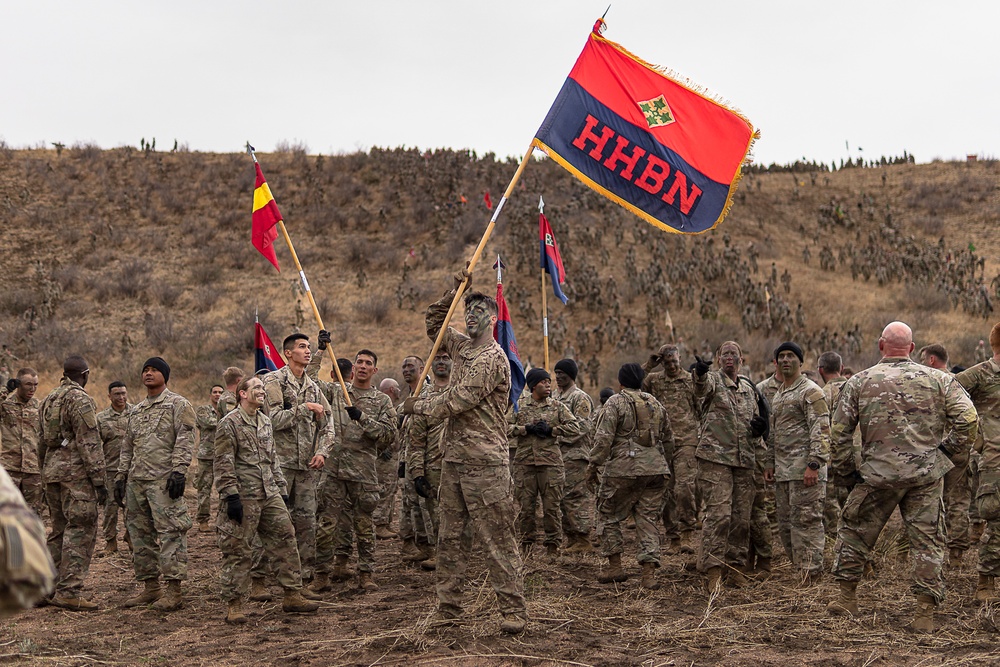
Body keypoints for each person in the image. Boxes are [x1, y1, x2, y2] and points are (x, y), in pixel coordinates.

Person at [826, 322, 978, 633]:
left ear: (881, 346)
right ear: (911, 349)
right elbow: (969, 419)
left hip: (876, 474)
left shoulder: (859, 382)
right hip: (924, 475)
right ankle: (924, 612)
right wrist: (945, 454)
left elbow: (839, 433)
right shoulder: (938, 379)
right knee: (928, 542)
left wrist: (847, 472)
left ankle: (846, 598)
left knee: (854, 531)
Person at [402, 268, 528, 634]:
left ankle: (513, 611)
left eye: (477, 312)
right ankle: (449, 607)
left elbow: (458, 400)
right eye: (466, 312)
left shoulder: (492, 358)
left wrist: (418, 406)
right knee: (450, 539)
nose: (469, 317)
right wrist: (455, 291)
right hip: (454, 460)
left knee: (496, 539)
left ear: (491, 319)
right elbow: (434, 325)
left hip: (485, 462)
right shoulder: (460, 347)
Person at [214, 376, 319, 623]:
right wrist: (230, 495)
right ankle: (234, 605)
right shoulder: (229, 423)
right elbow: (223, 462)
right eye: (257, 388)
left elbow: (273, 459)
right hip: (244, 495)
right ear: (242, 393)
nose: (262, 391)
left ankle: (292, 594)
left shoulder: (265, 421)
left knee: (286, 538)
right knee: (238, 548)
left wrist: (281, 489)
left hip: (269, 492)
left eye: (263, 388)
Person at [311, 344, 396, 592]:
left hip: (363, 472)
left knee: (364, 525)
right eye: (359, 362)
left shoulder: (381, 401)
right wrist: (319, 351)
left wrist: (362, 418)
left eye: (368, 363)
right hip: (334, 470)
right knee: (327, 524)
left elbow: (388, 435)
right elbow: (310, 380)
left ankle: (366, 574)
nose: (363, 366)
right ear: (353, 367)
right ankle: (322, 575)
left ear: (374, 370)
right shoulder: (337, 392)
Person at [116, 357, 197, 611]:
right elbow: (128, 446)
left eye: (154, 370)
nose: (148, 374)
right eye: (145, 370)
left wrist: (179, 471)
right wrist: (121, 476)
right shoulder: (136, 410)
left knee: (172, 532)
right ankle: (151, 588)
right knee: (140, 536)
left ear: (165, 375)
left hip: (164, 481)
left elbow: (185, 438)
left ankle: (174, 591)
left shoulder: (178, 404)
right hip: (137, 481)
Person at [588, 363, 673, 589]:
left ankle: (615, 566)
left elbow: (603, 439)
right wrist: (664, 464)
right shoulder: (656, 403)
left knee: (608, 513)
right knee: (647, 519)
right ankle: (648, 574)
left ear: (621, 382)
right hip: (656, 469)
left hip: (623, 469)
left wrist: (593, 464)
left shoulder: (616, 402)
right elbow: (669, 439)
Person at [259, 333, 332, 595]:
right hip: (279, 466)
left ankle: (301, 581)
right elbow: (273, 420)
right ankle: (261, 579)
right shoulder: (273, 381)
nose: (308, 351)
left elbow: (328, 425)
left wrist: (322, 452)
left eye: (309, 347)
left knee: (306, 523)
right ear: (288, 353)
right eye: (302, 347)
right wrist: (303, 408)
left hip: (306, 468)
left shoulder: (313, 386)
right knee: (274, 522)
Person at [693, 342, 768, 592]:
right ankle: (713, 570)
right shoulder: (713, 380)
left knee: (741, 519)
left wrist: (759, 433)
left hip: (745, 460)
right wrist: (700, 373)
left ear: (741, 359)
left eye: (733, 354)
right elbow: (700, 389)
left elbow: (756, 422)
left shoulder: (748, 387)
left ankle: (735, 568)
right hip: (716, 459)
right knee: (719, 515)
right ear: (717, 359)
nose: (729, 357)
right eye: (724, 354)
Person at [38, 356, 107, 611]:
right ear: (85, 375)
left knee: (58, 531)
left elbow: (41, 441)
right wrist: (99, 481)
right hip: (75, 475)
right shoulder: (80, 399)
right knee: (81, 528)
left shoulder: (48, 398)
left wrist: (44, 471)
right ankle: (69, 591)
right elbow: (89, 441)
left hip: (52, 472)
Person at [763, 342, 830, 586]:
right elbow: (773, 433)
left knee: (807, 524)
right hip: (784, 472)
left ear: (801, 362)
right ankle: (800, 569)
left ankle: (811, 575)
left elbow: (821, 429)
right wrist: (769, 463)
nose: (785, 360)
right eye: (781, 356)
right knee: (785, 525)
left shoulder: (810, 391)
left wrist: (814, 464)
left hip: (805, 471)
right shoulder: (780, 393)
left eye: (791, 356)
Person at [509, 368, 582, 557]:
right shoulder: (519, 405)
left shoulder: (557, 406)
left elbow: (576, 427)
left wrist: (552, 430)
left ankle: (553, 546)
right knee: (526, 507)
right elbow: (503, 426)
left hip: (551, 464)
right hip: (525, 464)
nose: (548, 385)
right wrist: (524, 429)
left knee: (551, 507)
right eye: (544, 382)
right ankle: (527, 545)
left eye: (549, 382)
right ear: (533, 385)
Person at [955, 323, 1000, 601]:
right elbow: (949, 394)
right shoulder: (981, 374)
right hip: (995, 459)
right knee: (996, 519)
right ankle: (986, 582)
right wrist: (973, 432)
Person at [919, 343, 972, 568]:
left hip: (937, 450)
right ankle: (957, 556)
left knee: (931, 502)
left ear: (932, 360)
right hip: (960, 449)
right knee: (959, 501)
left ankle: (931, 554)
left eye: (922, 359)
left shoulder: (927, 382)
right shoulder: (959, 382)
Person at [643, 345, 699, 555]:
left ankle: (687, 533)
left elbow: (700, 404)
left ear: (680, 359)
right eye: (667, 362)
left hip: (687, 441)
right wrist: (650, 364)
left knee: (685, 488)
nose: (672, 366)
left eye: (675, 361)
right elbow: (631, 383)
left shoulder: (690, 380)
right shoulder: (654, 380)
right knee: (666, 491)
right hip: (663, 441)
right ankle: (673, 535)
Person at [405, 351, 451, 570]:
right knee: (435, 514)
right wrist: (417, 474)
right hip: (434, 468)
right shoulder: (423, 399)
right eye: (437, 359)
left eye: (445, 358)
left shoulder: (463, 393)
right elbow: (416, 441)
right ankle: (441, 553)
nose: (441, 362)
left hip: (462, 467)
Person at [552, 358, 596, 554]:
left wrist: (556, 432)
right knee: (561, 498)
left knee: (575, 497)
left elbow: (583, 427)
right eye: (556, 373)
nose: (559, 376)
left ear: (572, 375)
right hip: (557, 456)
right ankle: (571, 537)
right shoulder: (555, 397)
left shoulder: (580, 398)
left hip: (575, 455)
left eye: (563, 373)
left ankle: (583, 538)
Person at [0, 465, 56, 615]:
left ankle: (21, 581)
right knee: (9, 527)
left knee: (29, 523)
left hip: (32, 470)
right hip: (9, 468)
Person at [1, 368, 43, 517]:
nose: (32, 389)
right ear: (18, 384)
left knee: (32, 515)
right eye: (28, 384)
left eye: (36, 384)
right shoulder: (6, 404)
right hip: (9, 468)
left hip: (33, 470)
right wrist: (5, 390)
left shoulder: (40, 406)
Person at [818, 351, 851, 537]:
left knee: (831, 507)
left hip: (831, 461)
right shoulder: (857, 389)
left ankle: (837, 544)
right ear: (842, 368)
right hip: (858, 459)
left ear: (820, 370)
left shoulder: (821, 395)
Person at [96, 381, 131, 555]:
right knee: (110, 507)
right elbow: (95, 445)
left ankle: (131, 537)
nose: (121, 397)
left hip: (133, 470)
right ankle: (110, 542)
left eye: (123, 393)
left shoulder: (136, 414)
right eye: (117, 394)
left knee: (132, 506)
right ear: (109, 396)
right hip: (111, 469)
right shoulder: (101, 418)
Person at [194, 384, 225, 533]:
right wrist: (228, 420)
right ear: (210, 395)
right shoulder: (203, 410)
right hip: (206, 456)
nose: (217, 395)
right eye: (215, 392)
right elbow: (208, 423)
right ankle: (203, 520)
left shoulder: (228, 411)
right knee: (204, 490)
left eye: (220, 392)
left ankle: (222, 521)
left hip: (224, 456)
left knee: (225, 491)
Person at [375, 377, 402, 540]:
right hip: (384, 458)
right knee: (384, 490)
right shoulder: (381, 405)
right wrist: (382, 447)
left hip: (392, 456)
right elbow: (374, 428)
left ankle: (386, 522)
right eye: (397, 387)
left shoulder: (391, 407)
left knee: (391, 490)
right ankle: (380, 525)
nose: (399, 390)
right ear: (392, 389)